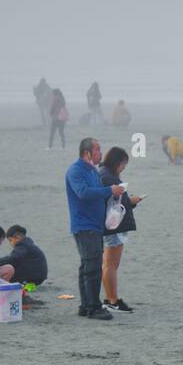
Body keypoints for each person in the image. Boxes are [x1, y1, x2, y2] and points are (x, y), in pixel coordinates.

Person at [65, 137, 124, 320]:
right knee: (92, 267)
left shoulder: (93, 171)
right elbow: (82, 193)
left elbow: (99, 194)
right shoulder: (76, 170)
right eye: (97, 150)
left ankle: (86, 306)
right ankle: (93, 307)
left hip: (95, 225)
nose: (101, 153)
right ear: (87, 153)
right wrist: (109, 190)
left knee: (87, 266)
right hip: (84, 225)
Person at [99, 146, 143, 313]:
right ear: (117, 162)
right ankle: (113, 300)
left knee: (111, 264)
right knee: (110, 264)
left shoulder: (106, 174)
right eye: (123, 163)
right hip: (113, 226)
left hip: (114, 224)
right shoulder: (107, 176)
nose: (124, 166)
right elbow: (114, 204)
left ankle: (111, 298)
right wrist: (131, 201)